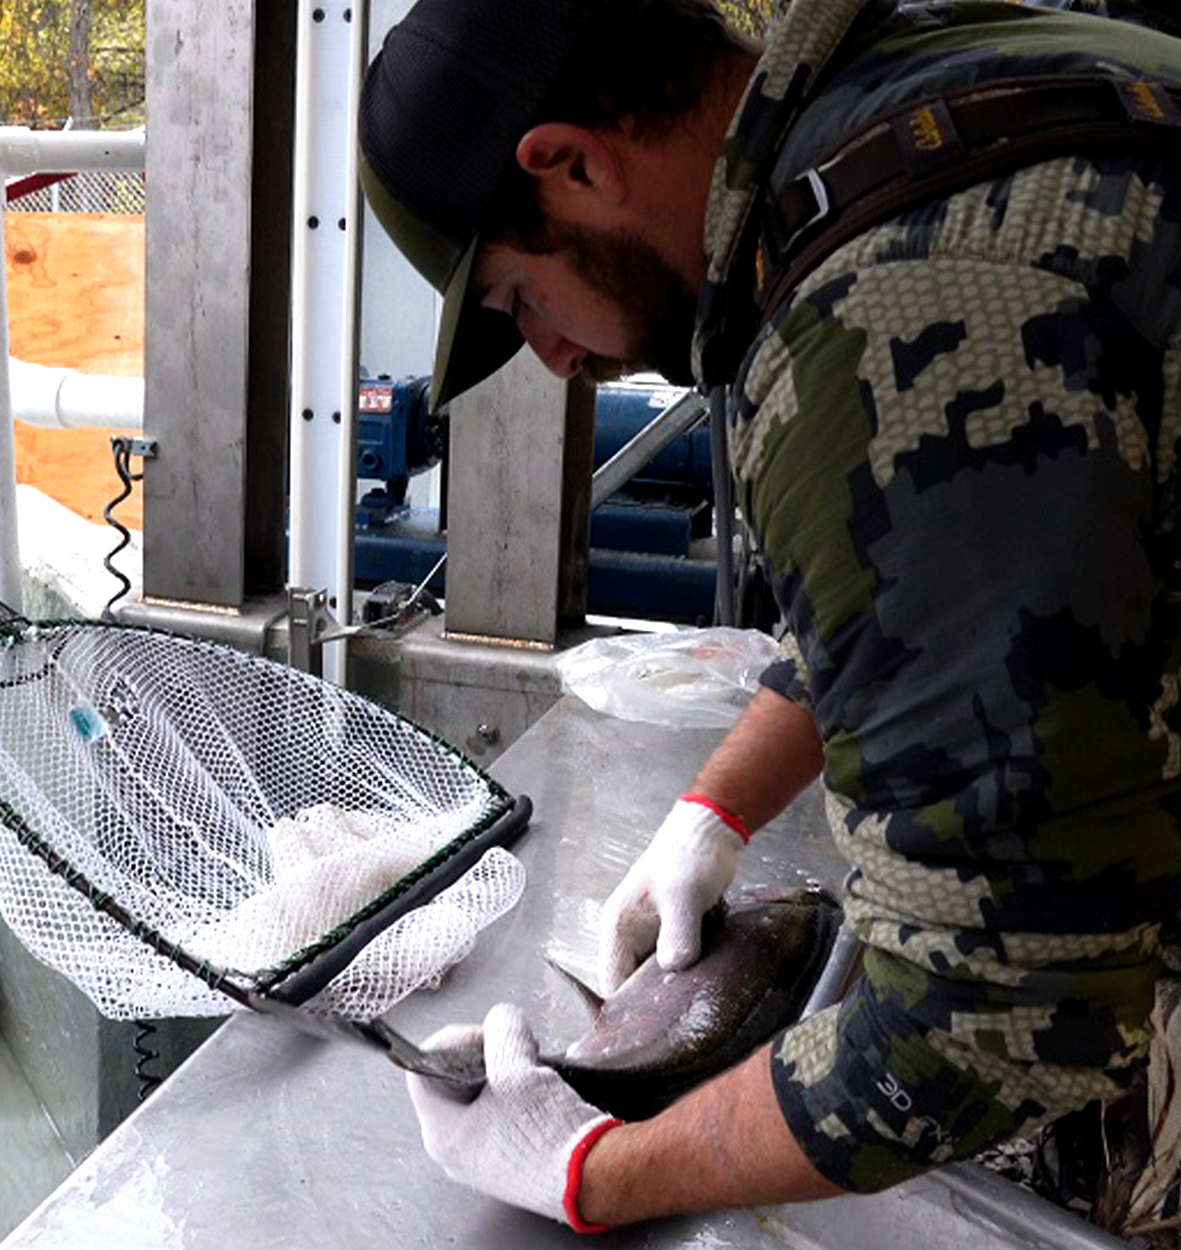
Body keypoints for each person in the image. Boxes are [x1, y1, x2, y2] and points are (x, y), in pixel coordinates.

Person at [360, 0, 1181, 1233]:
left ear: (571, 164)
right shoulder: (959, 80)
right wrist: (715, 808)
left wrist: (590, 1171)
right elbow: (961, 567)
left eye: (514, 302)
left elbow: (1000, 1016)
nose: (551, 359)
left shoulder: (881, 310)